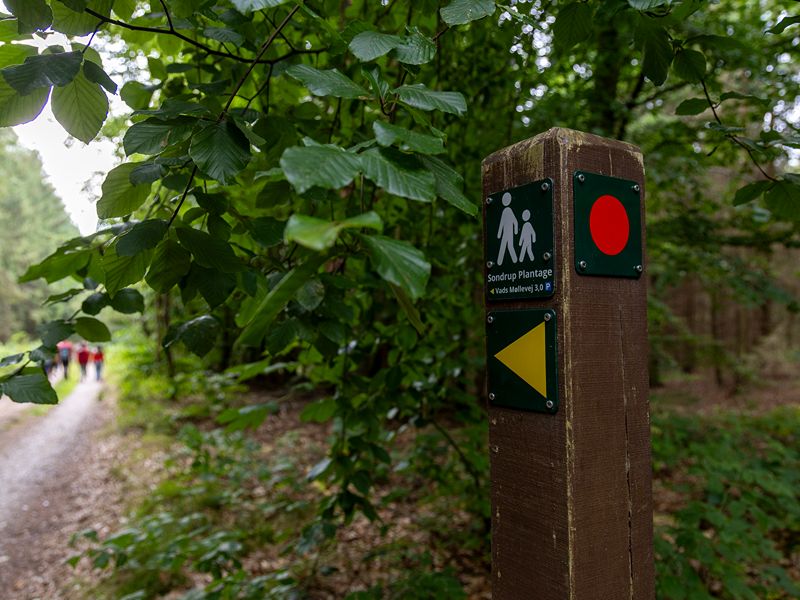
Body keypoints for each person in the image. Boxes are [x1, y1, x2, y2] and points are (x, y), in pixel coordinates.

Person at [496, 192, 519, 265]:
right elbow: (502, 223)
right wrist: (499, 234)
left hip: (509, 233)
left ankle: (515, 260)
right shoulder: (505, 211)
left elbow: (515, 221)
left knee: (509, 246)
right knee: (504, 246)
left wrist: (515, 231)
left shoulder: (508, 211)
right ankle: (499, 262)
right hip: (506, 233)